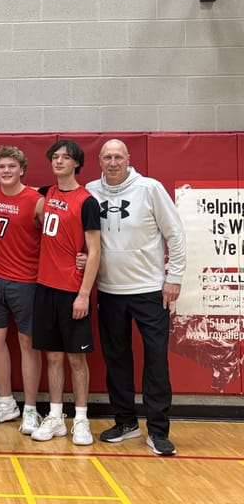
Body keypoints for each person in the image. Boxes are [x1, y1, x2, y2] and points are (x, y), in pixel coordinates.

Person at [87, 139, 186, 457]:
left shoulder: (150, 188)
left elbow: (175, 233)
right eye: (107, 157)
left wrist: (174, 277)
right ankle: (125, 421)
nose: (113, 162)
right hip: (109, 290)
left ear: (128, 159)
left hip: (150, 290)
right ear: (99, 160)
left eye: (118, 157)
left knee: (156, 359)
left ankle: (158, 431)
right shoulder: (90, 191)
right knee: (116, 360)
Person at [30, 139, 101, 446]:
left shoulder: (87, 201)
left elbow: (95, 250)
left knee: (76, 359)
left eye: (65, 158)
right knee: (53, 357)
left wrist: (84, 294)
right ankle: (56, 416)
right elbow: (35, 214)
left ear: (77, 163)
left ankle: (81, 419)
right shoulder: (47, 193)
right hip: (45, 287)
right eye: (55, 157)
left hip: (72, 290)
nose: (59, 161)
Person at [0, 146, 43, 435]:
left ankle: (29, 408)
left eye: (11, 166)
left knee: (28, 344)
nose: (6, 171)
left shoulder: (36, 200)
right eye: (0, 167)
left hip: (26, 280)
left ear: (22, 169)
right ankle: (6, 402)